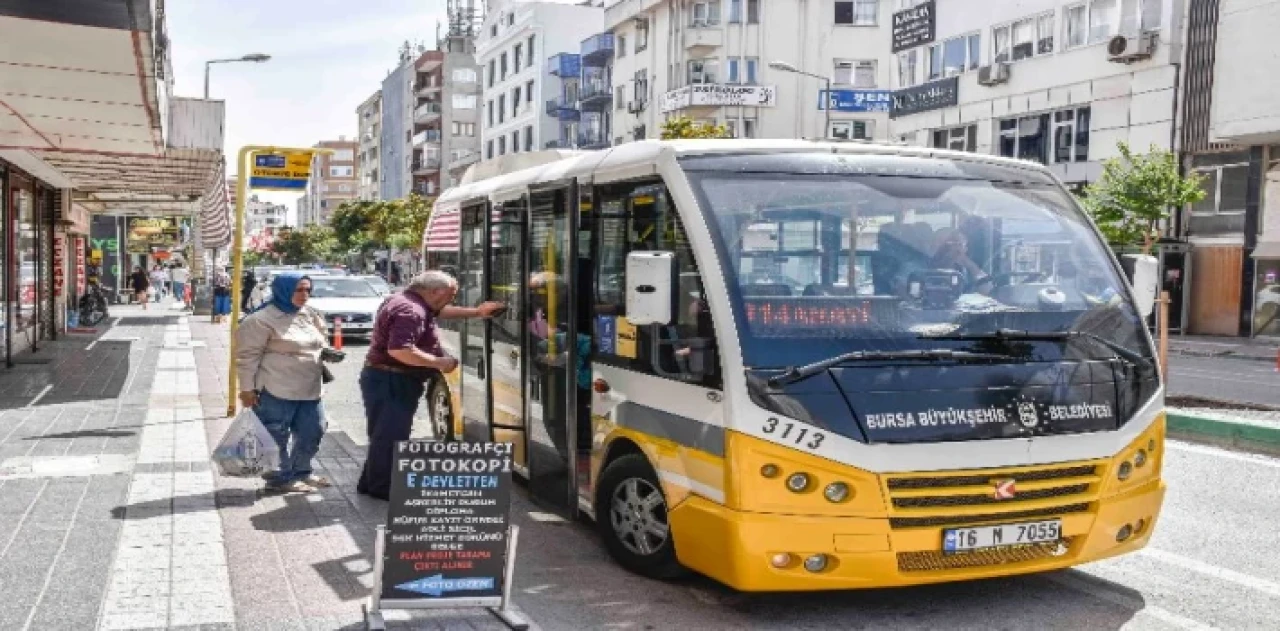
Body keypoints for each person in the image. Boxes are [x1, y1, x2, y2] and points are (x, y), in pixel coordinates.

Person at [356, 270, 504, 500]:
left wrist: (477, 312)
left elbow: (440, 311)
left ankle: (371, 482)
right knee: (391, 434)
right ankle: (382, 488)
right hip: (393, 379)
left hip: (385, 378)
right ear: (435, 291)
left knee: (383, 434)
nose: (451, 300)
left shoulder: (404, 300)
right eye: (450, 295)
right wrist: (439, 363)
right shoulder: (411, 311)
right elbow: (400, 350)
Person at [235, 273, 334, 493]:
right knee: (275, 434)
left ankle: (302, 471)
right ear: (283, 290)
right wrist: (246, 389)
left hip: (310, 387)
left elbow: (320, 341)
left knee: (314, 430)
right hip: (276, 388)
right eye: (298, 290)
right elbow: (246, 357)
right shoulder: (260, 320)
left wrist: (327, 352)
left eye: (308, 290)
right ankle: (280, 478)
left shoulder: (309, 314)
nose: (304, 295)